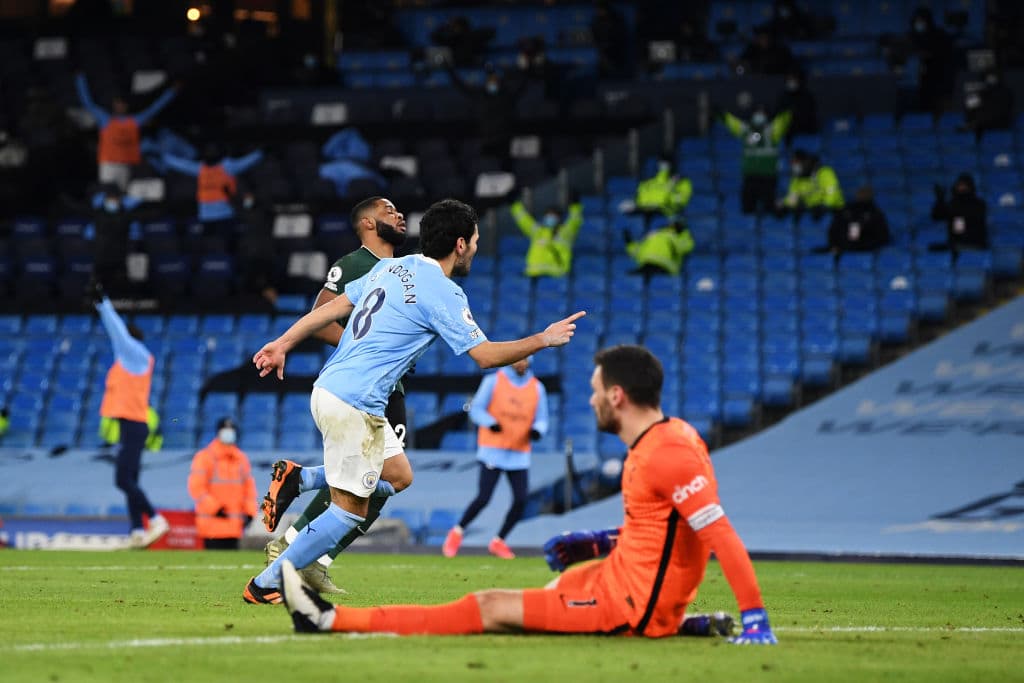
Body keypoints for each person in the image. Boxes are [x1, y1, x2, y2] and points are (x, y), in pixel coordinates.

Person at [278, 345, 777, 645]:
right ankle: (675, 624)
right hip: (611, 576)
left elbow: (716, 532)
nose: (591, 398)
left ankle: (329, 620)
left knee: (490, 606)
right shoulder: (674, 437)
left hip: (627, 603)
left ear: (618, 397)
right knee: (553, 592)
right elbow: (665, 527)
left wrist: (756, 617)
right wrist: (602, 544)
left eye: (596, 390)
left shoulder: (667, 454)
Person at [242, 198, 586, 604]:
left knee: (399, 476)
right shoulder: (444, 291)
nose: (475, 248)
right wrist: (543, 339)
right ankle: (267, 583)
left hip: (333, 388)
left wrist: (283, 342)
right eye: (474, 241)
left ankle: (301, 479)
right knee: (350, 511)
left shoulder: (391, 267)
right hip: (355, 400)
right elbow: (485, 356)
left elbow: (332, 308)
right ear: (460, 244)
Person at [262, 197, 414, 594]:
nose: (398, 215)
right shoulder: (352, 265)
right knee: (380, 476)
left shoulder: (404, 269)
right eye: (387, 211)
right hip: (366, 387)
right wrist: (367, 345)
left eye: (398, 211)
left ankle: (313, 557)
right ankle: (293, 547)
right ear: (367, 223)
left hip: (390, 385)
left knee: (375, 479)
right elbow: (321, 317)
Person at [442, 357, 549, 560]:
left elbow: (542, 418)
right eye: (518, 359)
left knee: (521, 499)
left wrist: (537, 430)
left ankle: (499, 540)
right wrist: (490, 422)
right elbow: (477, 409)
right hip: (493, 449)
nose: (521, 364)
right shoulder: (493, 381)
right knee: (484, 497)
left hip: (519, 452)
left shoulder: (537, 388)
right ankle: (457, 532)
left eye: (525, 360)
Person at [92, 282, 169, 549]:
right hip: (130, 425)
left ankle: (156, 518)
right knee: (130, 480)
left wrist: (103, 304)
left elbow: (117, 333)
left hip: (135, 425)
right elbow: (118, 337)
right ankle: (137, 530)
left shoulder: (136, 355)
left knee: (122, 479)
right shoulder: (126, 360)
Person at [75, 73, 177, 190]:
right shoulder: (105, 119)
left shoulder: (134, 120)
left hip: (125, 163)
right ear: (114, 106)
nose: (119, 106)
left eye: (122, 105)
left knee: (121, 192)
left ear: (125, 107)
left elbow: (154, 108)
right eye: (117, 104)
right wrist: (80, 79)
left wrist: (171, 92)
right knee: (109, 192)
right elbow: (88, 104)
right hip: (108, 163)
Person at [188, 418, 257, 550]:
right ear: (218, 432)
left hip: (234, 526)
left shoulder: (241, 459)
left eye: (231, 430)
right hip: (212, 525)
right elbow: (196, 488)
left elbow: (249, 490)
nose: (228, 433)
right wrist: (215, 509)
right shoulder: (205, 457)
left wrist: (249, 512)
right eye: (225, 430)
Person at [162, 144, 263, 226]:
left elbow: (247, 161)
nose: (210, 153)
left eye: (213, 151)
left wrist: (260, 153)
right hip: (206, 216)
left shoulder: (228, 166)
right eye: (208, 151)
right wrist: (164, 157)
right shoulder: (201, 169)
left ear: (219, 153)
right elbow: (182, 165)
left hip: (225, 215)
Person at [721, 106, 792, 215]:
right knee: (747, 208)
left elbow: (783, 120)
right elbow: (731, 122)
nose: (759, 116)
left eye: (762, 114)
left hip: (768, 176)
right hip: (750, 176)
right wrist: (720, 114)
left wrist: (787, 109)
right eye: (757, 113)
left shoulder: (772, 130)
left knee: (769, 209)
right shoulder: (745, 130)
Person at [509, 197, 584, 278]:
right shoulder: (537, 231)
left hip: (556, 275)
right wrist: (514, 205)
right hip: (533, 275)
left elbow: (575, 221)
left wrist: (575, 206)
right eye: (548, 215)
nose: (549, 218)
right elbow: (523, 220)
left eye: (553, 215)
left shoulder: (565, 232)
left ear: (559, 218)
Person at [909, 6, 955, 114]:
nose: (918, 24)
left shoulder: (940, 36)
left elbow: (944, 57)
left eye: (921, 21)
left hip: (939, 80)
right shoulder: (913, 36)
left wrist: (929, 56)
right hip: (921, 83)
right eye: (916, 21)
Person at [930, 173, 988, 251]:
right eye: (959, 185)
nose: (961, 188)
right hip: (955, 244)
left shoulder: (979, 204)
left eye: (964, 186)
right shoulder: (952, 203)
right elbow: (937, 216)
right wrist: (940, 200)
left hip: (975, 243)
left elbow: (967, 216)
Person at [777, 149, 844, 216]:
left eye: (796, 163)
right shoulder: (796, 180)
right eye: (792, 164)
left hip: (834, 210)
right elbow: (793, 198)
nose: (794, 166)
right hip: (812, 211)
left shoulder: (825, 172)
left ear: (805, 162)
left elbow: (832, 192)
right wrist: (784, 206)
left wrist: (825, 206)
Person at [826, 186, 891, 254]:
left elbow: (883, 236)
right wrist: (834, 245)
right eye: (861, 193)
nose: (863, 195)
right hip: (844, 249)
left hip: (867, 250)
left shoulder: (876, 213)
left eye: (866, 193)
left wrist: (870, 246)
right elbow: (834, 230)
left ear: (871, 195)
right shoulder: (846, 211)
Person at [623, 220, 695, 276]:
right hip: (655, 266)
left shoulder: (654, 236)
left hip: (657, 266)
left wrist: (685, 233)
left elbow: (687, 247)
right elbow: (637, 253)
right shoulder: (656, 235)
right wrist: (630, 243)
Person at [964, 70, 1014, 140]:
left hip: (1000, 123)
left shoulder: (1005, 92)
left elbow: (1004, 111)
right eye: (988, 77)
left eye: (993, 77)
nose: (991, 79)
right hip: (980, 125)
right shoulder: (978, 93)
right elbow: (970, 108)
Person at [776, 68, 818, 141]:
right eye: (789, 79)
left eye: (793, 79)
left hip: (805, 130)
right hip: (787, 132)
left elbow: (810, 114)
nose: (791, 82)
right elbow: (779, 114)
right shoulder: (783, 97)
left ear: (799, 80)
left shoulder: (807, 96)